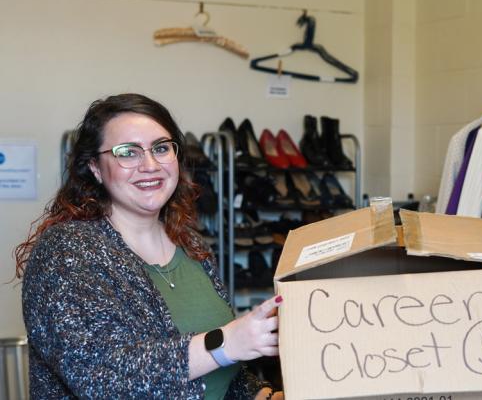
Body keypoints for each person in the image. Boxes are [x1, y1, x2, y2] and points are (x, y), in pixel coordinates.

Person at [15, 93, 284, 399]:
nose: (150, 164)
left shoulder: (190, 245)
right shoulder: (66, 252)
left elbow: (220, 373)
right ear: (95, 168)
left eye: (160, 148)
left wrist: (263, 394)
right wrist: (227, 342)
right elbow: (101, 377)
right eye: (127, 152)